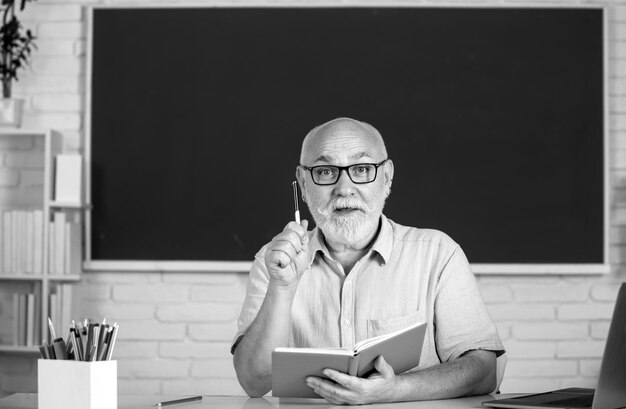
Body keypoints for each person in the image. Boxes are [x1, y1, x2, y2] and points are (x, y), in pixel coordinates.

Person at [231, 117, 504, 405]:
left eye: (361, 169)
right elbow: (253, 381)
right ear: (302, 183)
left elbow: (484, 371)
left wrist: (395, 389)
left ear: (386, 178)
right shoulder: (274, 263)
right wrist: (282, 288)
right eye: (325, 171)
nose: (344, 189)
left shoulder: (439, 254)